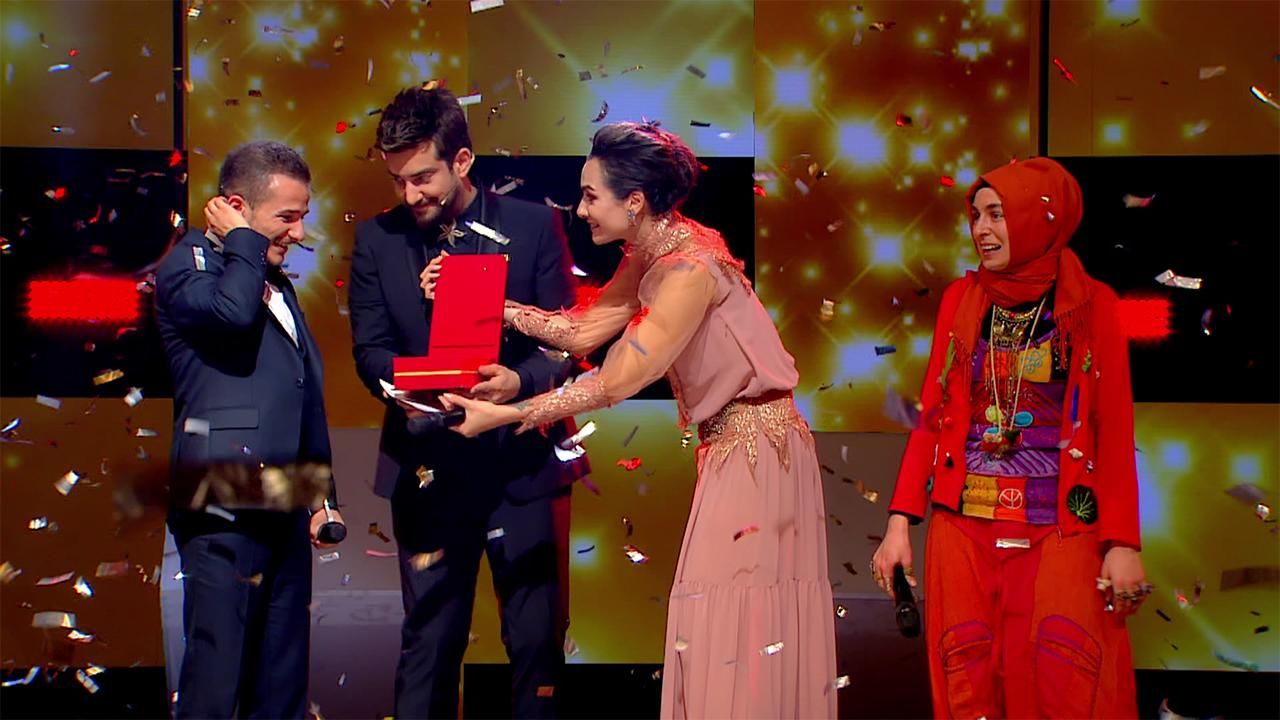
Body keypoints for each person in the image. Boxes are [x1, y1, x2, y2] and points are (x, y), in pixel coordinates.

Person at [441, 122, 838, 719]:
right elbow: (581, 331)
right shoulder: (657, 249)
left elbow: (617, 380)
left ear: (634, 200)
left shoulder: (689, 271)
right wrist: (490, 304)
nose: (580, 210)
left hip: (759, 447)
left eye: (590, 196)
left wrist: (510, 413)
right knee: (727, 616)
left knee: (735, 617)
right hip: (736, 446)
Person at [871, 157, 1148, 718]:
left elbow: (1113, 428)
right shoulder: (961, 299)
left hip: (1059, 527)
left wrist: (1122, 542)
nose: (982, 229)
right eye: (976, 216)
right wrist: (899, 521)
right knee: (967, 675)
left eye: (997, 214)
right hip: (963, 526)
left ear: (1038, 216)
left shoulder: (1093, 305)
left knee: (1060, 676)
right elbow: (933, 416)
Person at [348, 85, 584, 719]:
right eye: (398, 180)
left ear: (462, 160)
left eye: (422, 177)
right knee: (429, 641)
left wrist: (517, 383)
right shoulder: (377, 240)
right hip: (428, 464)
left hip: (522, 464)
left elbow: (567, 343)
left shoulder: (534, 226)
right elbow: (370, 353)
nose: (410, 196)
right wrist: (415, 387)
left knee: (536, 642)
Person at [155, 140, 341, 718]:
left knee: (281, 682)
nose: (299, 232)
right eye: (287, 217)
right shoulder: (188, 265)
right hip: (221, 501)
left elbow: (303, 393)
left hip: (283, 501)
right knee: (217, 677)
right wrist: (243, 242)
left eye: (303, 216)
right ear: (236, 207)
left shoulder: (277, 282)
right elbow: (231, 316)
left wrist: (322, 497)